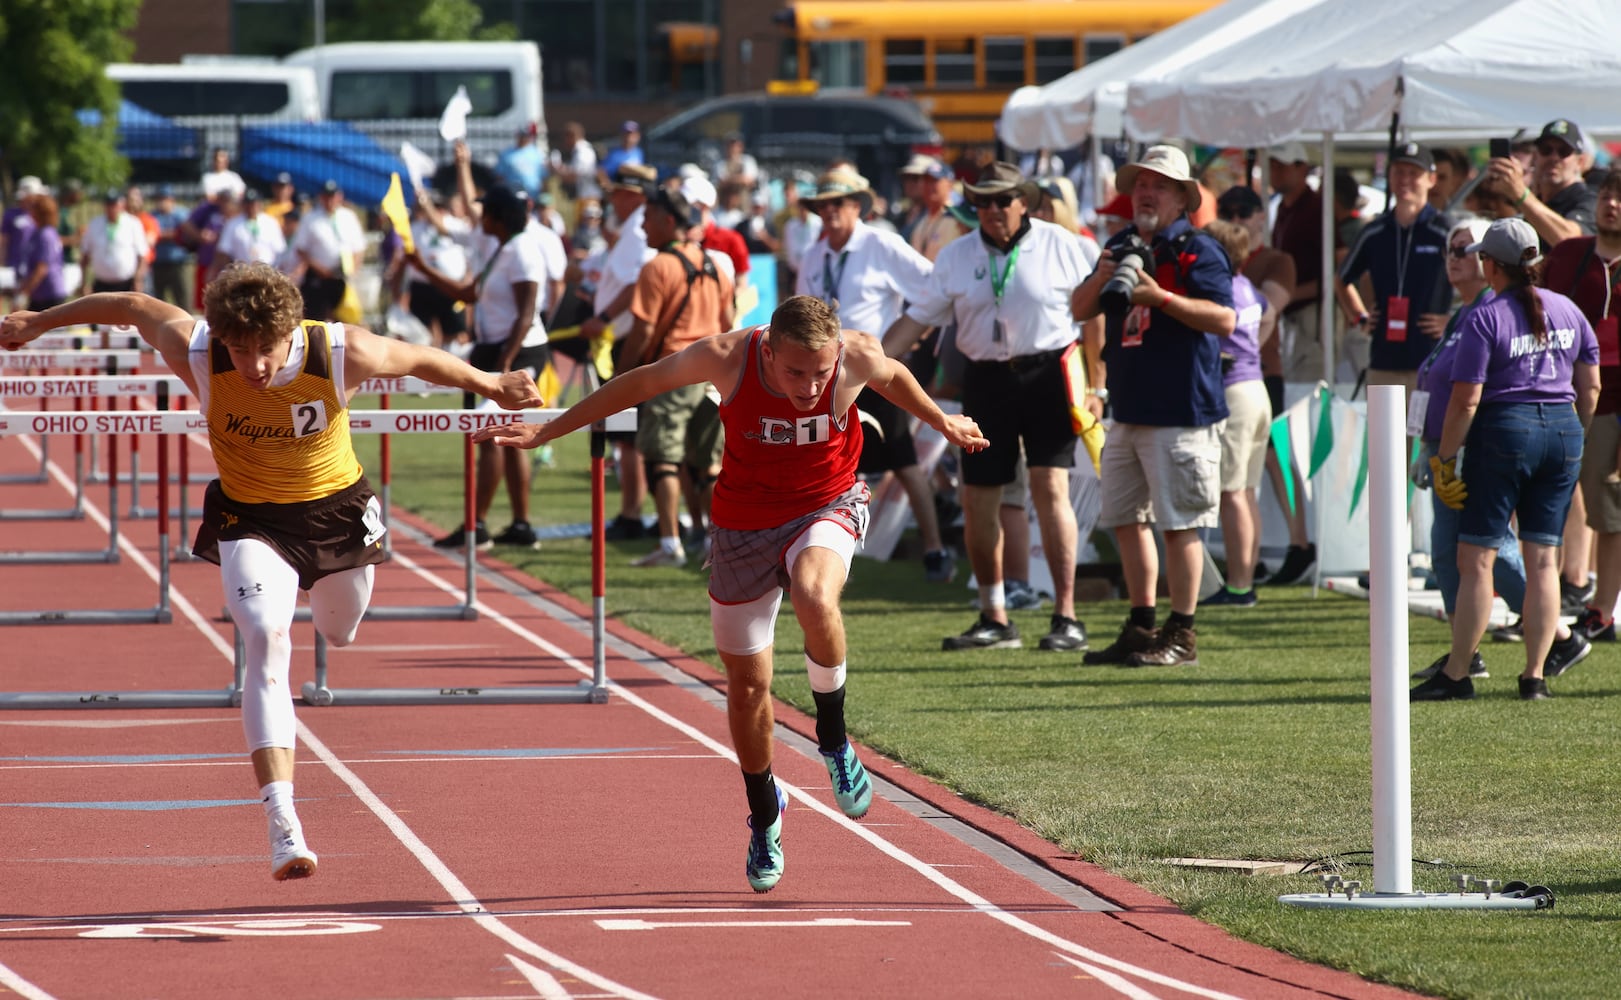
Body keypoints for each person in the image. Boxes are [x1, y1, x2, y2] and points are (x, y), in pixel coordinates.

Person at [0, 263, 542, 879]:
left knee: (339, 633)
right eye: (240, 350)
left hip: (337, 513)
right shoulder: (198, 349)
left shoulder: (340, 350)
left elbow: (417, 358)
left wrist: (491, 381)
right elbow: (130, 304)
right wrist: (38, 321)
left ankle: (327, 624)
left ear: (291, 331)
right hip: (250, 518)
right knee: (266, 637)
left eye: (265, 349)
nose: (253, 366)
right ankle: (283, 821)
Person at [470, 294, 986, 891]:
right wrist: (549, 430)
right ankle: (766, 811)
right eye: (795, 372)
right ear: (768, 350)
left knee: (816, 595)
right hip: (742, 524)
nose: (811, 386)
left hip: (827, 503)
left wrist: (941, 421)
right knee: (746, 688)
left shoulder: (855, 359)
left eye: (821, 372)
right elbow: (636, 384)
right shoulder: (726, 357)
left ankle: (834, 738)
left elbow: (895, 377)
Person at [884, 161, 1097, 653]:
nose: (993, 210)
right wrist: (867, 363)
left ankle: (1066, 615)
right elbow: (917, 320)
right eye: (982, 201)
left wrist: (1099, 384)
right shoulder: (956, 256)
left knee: (1050, 489)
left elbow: (1095, 309)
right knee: (978, 500)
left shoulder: (1064, 243)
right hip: (985, 381)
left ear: (1024, 200)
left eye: (1003, 199)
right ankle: (993, 615)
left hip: (1049, 375)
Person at [1411, 218, 1597, 702]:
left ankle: (1457, 673)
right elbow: (1590, 386)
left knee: (1475, 559)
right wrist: (1576, 432)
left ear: (1490, 265)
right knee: (1542, 561)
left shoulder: (1485, 316)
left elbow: (1466, 401)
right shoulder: (1569, 309)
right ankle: (1534, 677)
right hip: (1563, 429)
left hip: (1504, 431)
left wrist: (1446, 460)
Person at [1073, 145, 1237, 667]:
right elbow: (1078, 309)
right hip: (1129, 407)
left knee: (1179, 524)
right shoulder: (1120, 243)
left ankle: (1182, 633)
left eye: (1159, 184)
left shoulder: (1198, 249)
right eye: (1140, 182)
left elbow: (1225, 320)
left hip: (1182, 411)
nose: (1146, 191)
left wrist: (1160, 298)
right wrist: (1104, 277)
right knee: (1126, 519)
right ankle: (1142, 625)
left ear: (1182, 197)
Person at [795, 167, 949, 580]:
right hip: (825, 374)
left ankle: (935, 548)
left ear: (855, 206)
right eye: (821, 204)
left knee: (901, 457)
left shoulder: (881, 243)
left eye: (837, 203)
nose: (828, 211)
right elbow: (800, 309)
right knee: (823, 457)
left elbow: (935, 287)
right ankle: (819, 546)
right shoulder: (814, 252)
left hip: (871, 368)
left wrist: (899, 340)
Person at [1408, 219, 1528, 682]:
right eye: (1449, 250)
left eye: (1465, 248)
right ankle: (1466, 652)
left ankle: (1557, 633)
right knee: (1446, 554)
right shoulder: (1462, 314)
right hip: (1444, 448)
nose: (1455, 257)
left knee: (1494, 550)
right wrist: (1426, 445)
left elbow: (1476, 391)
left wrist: (1452, 451)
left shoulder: (1493, 311)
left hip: (1475, 446)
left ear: (1487, 259)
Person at [407, 185, 554, 550]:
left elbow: (526, 313)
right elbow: (468, 295)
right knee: (501, 438)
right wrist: (422, 267)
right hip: (496, 352)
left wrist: (504, 367)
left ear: (499, 217)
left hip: (516, 353)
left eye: (486, 211)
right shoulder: (501, 248)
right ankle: (515, 526)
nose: (480, 217)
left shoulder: (521, 251)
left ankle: (478, 527)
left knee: (491, 434)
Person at [620, 186, 735, 567]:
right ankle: (718, 544)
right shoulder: (716, 265)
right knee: (708, 465)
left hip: (671, 372)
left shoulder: (658, 267)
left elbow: (643, 333)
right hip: (711, 374)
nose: (642, 224)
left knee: (662, 459)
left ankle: (670, 544)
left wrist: (623, 378)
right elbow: (726, 325)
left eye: (648, 216)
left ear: (669, 220)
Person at [1542, 168, 1621, 641]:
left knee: (1610, 507)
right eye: (1607, 195)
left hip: (1613, 402)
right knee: (1552, 500)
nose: (1611, 203)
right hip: (1561, 397)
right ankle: (1542, 598)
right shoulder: (1569, 254)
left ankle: (1602, 608)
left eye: (1620, 197)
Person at [1199, 218, 1271, 607]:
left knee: (1232, 494)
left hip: (1236, 393)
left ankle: (1240, 585)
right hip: (1256, 388)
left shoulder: (1222, 288)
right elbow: (1270, 311)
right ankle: (1245, 579)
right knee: (1244, 491)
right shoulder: (1247, 287)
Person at [1479, 118, 1596, 247]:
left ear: (1580, 162)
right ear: (1535, 157)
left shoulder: (1590, 199)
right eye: (1546, 149)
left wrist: (1520, 193)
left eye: (1564, 151)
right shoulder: (1534, 201)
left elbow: (1571, 241)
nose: (1553, 157)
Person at [292, 180, 366, 322]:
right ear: (321, 197)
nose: (330, 200)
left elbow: (358, 247)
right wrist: (319, 268)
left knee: (345, 319)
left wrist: (353, 269)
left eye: (333, 196)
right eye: (327, 196)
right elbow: (301, 249)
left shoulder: (348, 216)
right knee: (317, 319)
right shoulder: (311, 218)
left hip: (342, 276)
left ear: (339, 197)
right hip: (319, 276)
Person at [81, 188, 149, 293]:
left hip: (126, 284)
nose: (111, 208)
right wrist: (84, 282)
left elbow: (142, 256)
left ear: (122, 204)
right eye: (108, 204)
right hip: (101, 284)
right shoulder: (95, 224)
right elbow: (85, 254)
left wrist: (138, 280)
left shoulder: (132, 223)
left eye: (114, 204)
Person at [16, 194, 67, 310]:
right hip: (39, 294)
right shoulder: (39, 233)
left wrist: (23, 294)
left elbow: (41, 268)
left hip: (49, 294)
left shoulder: (45, 235)